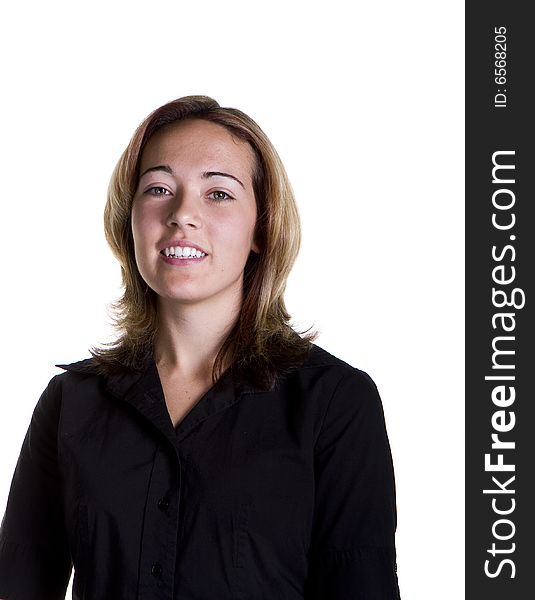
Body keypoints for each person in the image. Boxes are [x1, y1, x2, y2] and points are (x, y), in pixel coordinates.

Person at [0, 95, 401, 599]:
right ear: (130, 220)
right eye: (159, 188)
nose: (182, 213)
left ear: (263, 227)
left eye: (218, 194)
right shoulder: (70, 403)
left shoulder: (336, 403)